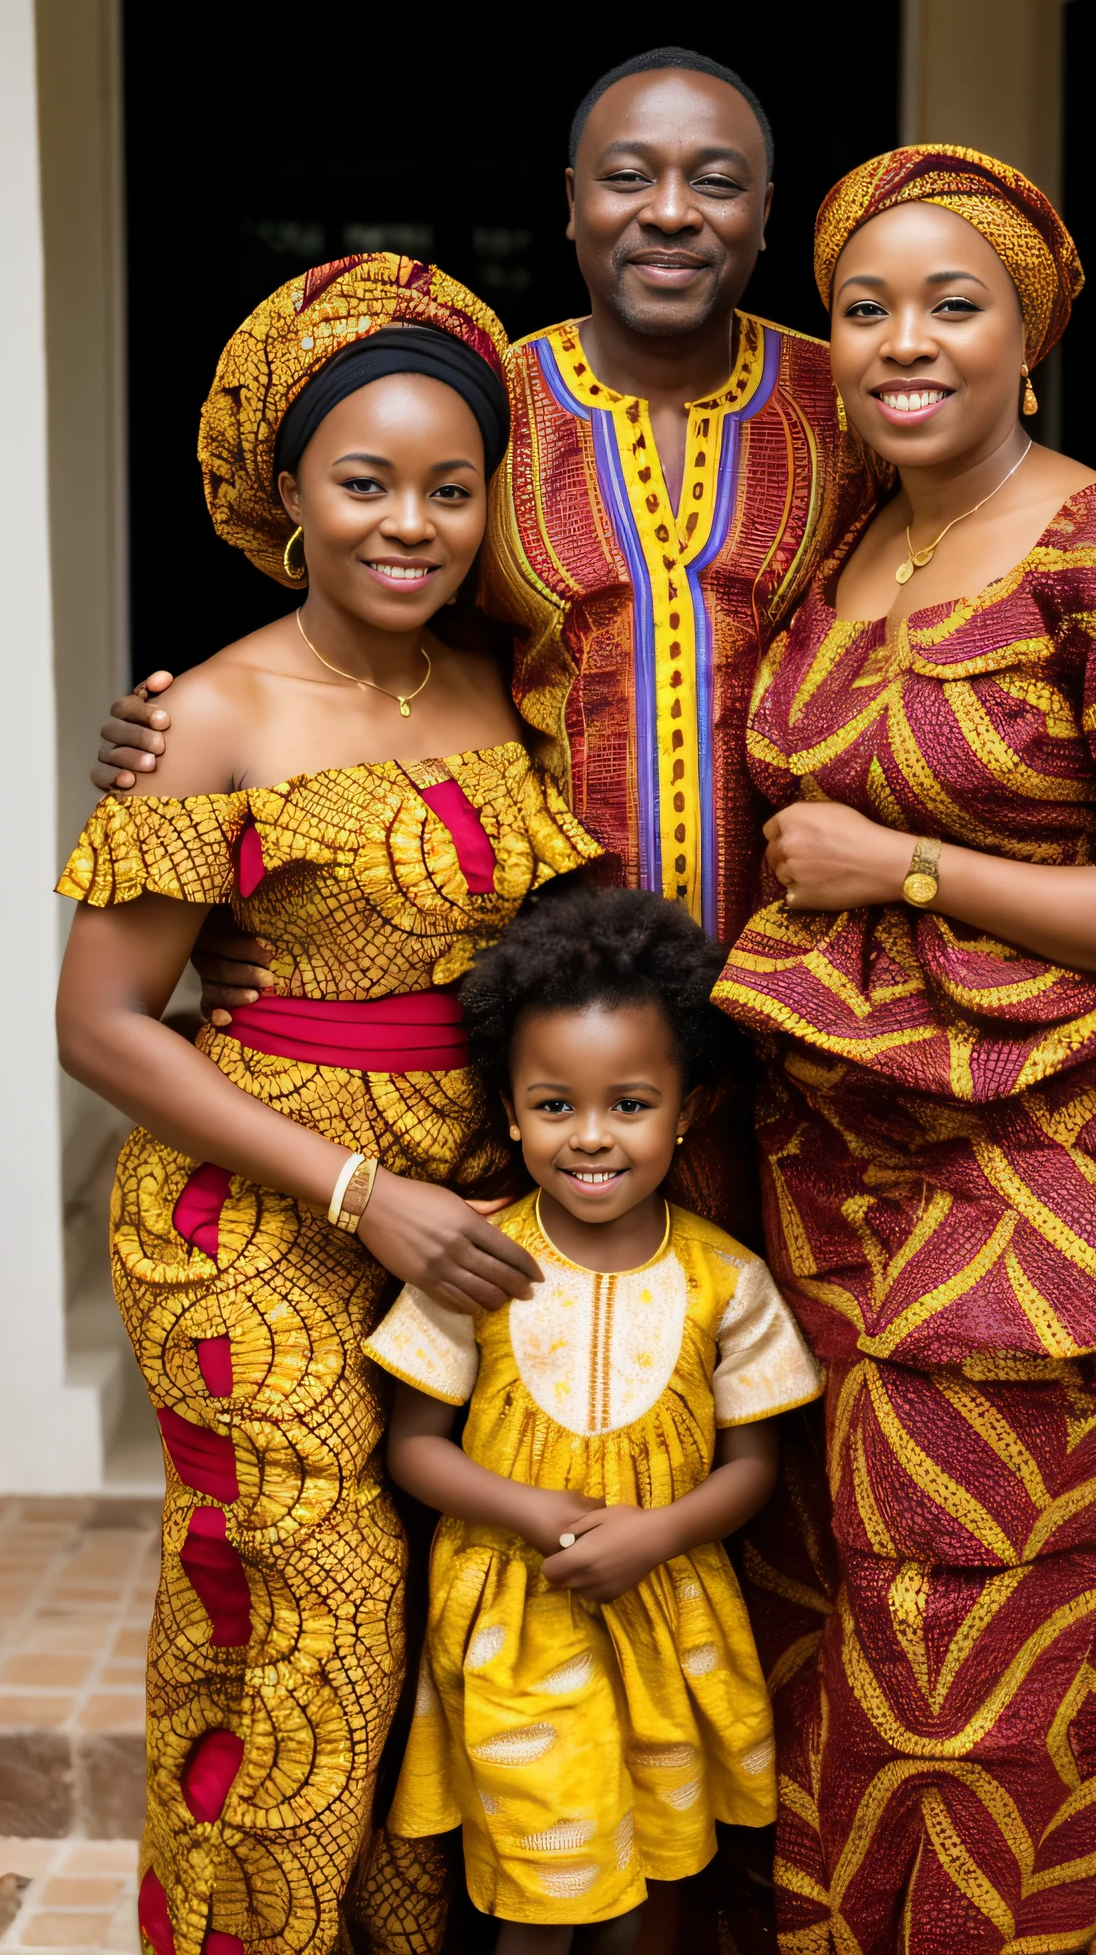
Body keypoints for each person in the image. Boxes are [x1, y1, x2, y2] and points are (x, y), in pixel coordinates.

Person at [710, 145, 1096, 1954]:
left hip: (1028, 1178)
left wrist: (906, 861)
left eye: (951, 304)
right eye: (865, 307)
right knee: (841, 1618)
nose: (902, 341)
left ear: (1028, 338)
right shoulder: (854, 548)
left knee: (991, 1627)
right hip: (831, 1173)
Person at [89, 48, 884, 1237]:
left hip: (817, 1013)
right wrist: (225, 878)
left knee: (784, 1383)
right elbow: (374, 655)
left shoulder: (852, 410)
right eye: (627, 176)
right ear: (570, 201)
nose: (670, 210)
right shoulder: (490, 416)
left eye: (716, 181)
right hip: (541, 1056)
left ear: (765, 215)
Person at [55, 255, 599, 1955]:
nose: (410, 525)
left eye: (450, 488)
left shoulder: (500, 683)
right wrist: (366, 1195)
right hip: (258, 1221)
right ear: (286, 490)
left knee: (434, 1621)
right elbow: (101, 1022)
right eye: (364, 482)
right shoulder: (205, 715)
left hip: (467, 1214)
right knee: (317, 1619)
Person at [364, 884, 822, 1954]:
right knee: (544, 1882)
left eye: (628, 1102)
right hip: (518, 1623)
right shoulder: (472, 1262)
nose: (592, 1136)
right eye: (555, 1104)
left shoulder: (726, 1279)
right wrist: (528, 1510)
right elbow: (415, 1448)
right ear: (513, 1112)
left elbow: (753, 1461)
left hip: (667, 1622)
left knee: (654, 1877)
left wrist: (657, 1531)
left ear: (686, 1108)